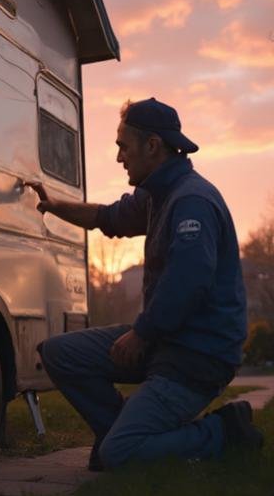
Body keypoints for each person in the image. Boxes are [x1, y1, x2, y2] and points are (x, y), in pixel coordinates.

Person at [27, 97, 261, 472]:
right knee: (60, 353)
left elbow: (188, 283)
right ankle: (117, 433)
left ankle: (224, 432)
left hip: (198, 354)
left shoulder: (192, 201)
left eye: (123, 146)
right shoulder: (155, 195)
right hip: (165, 341)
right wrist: (54, 206)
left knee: (122, 454)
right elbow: (106, 217)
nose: (119, 157)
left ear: (152, 146)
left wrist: (142, 334)